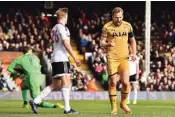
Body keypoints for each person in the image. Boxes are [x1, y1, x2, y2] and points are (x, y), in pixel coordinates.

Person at [30, 8, 81, 114]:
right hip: (61, 58)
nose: (67, 18)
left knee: (55, 84)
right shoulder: (63, 28)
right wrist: (74, 57)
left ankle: (35, 101)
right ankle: (67, 109)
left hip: (55, 58)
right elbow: (66, 44)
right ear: (64, 17)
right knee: (66, 82)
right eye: (67, 16)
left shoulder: (54, 28)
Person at [100, 7, 137, 114]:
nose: (119, 19)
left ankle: (123, 103)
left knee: (126, 83)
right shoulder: (107, 27)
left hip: (124, 58)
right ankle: (114, 107)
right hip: (112, 58)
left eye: (120, 17)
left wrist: (133, 53)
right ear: (112, 17)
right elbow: (101, 42)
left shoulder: (127, 26)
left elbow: (132, 41)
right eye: (116, 17)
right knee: (113, 82)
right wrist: (108, 44)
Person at [7, 46, 64, 112]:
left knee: (24, 84)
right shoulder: (36, 57)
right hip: (37, 79)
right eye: (31, 50)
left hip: (28, 78)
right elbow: (38, 67)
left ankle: (25, 103)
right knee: (36, 101)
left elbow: (9, 68)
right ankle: (55, 106)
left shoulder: (20, 58)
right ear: (29, 51)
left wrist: (19, 74)